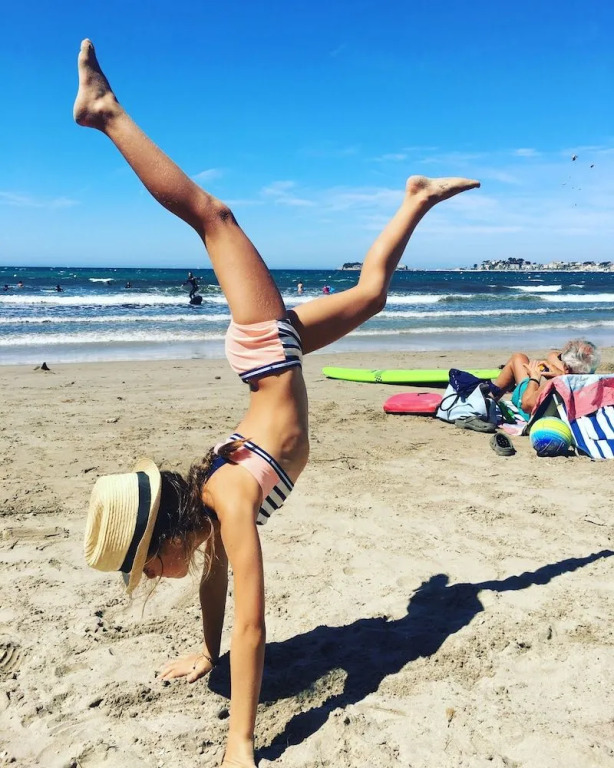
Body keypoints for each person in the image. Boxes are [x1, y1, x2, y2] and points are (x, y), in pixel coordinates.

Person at [75, 39, 479, 768]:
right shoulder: (208, 516)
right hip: (273, 356)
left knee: (213, 217)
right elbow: (217, 586)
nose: (154, 578)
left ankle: (105, 113)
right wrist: (207, 653)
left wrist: (240, 743)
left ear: (163, 537)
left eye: (145, 567)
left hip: (267, 352)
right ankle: (416, 198)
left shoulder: (227, 497)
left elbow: (254, 627)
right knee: (372, 295)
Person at [490, 338, 600, 421]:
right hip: (568, 408)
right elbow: (554, 356)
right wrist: (561, 374)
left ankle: (489, 400)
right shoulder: (597, 384)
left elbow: (526, 406)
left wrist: (534, 378)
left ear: (566, 368)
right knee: (551, 355)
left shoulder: (552, 384)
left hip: (536, 414)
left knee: (518, 358)